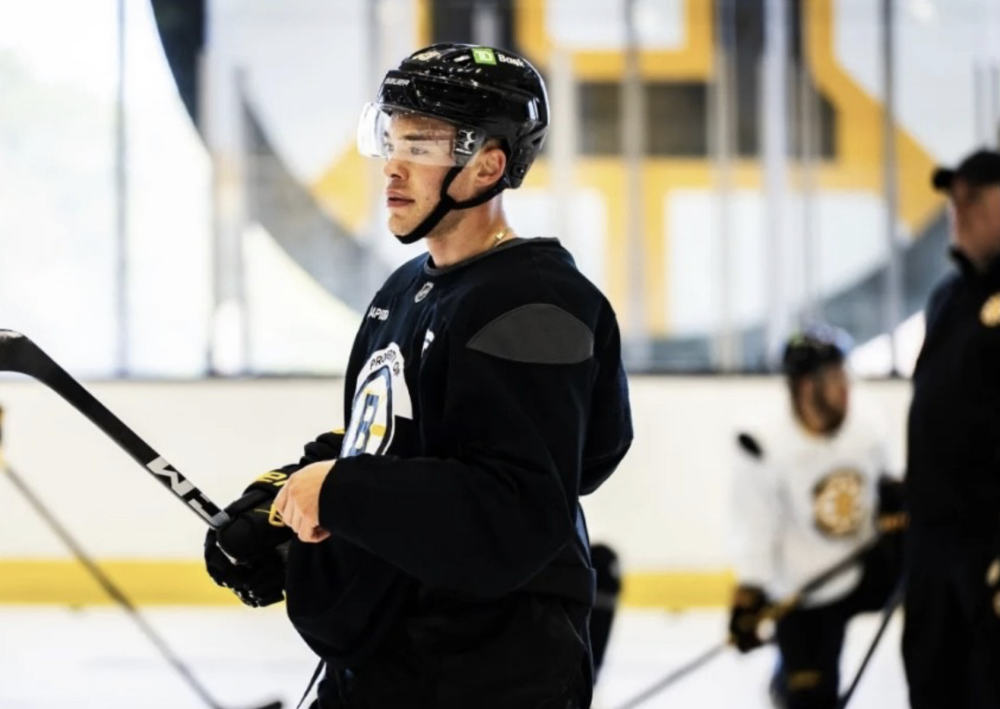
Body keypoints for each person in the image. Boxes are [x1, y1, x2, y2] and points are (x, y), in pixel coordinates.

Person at [203, 43, 633, 709]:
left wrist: (342, 493)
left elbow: (515, 508)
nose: (393, 167)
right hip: (389, 654)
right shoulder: (408, 287)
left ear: (488, 163)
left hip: (486, 671)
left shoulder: (535, 304)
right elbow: (388, 440)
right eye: (391, 139)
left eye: (423, 145)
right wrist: (285, 501)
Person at [727, 325, 905, 709]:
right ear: (807, 387)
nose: (848, 388)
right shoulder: (762, 442)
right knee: (812, 699)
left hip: (865, 568)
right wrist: (749, 596)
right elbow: (755, 527)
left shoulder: (867, 421)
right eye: (837, 378)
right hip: (803, 589)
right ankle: (787, 674)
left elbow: (887, 483)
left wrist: (895, 505)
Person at [902, 148, 1000, 709]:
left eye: (974, 199)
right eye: (953, 201)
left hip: (987, 547)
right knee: (933, 684)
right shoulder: (947, 298)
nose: (957, 212)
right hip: (933, 548)